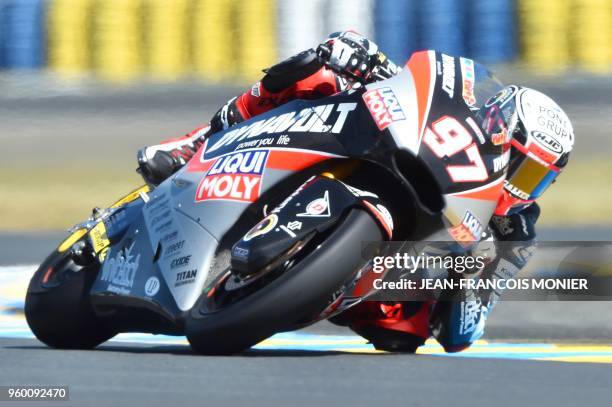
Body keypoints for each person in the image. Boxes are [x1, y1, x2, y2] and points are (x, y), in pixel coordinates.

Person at [137, 31, 575, 353]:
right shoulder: (459, 112)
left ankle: (306, 284)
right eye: (523, 163)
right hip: (385, 151)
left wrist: (473, 274)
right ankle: (195, 143)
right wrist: (366, 59)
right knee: (321, 70)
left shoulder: (516, 229)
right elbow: (415, 82)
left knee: (403, 335)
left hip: (389, 278)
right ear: (496, 128)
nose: (522, 183)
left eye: (538, 177)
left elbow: (461, 332)